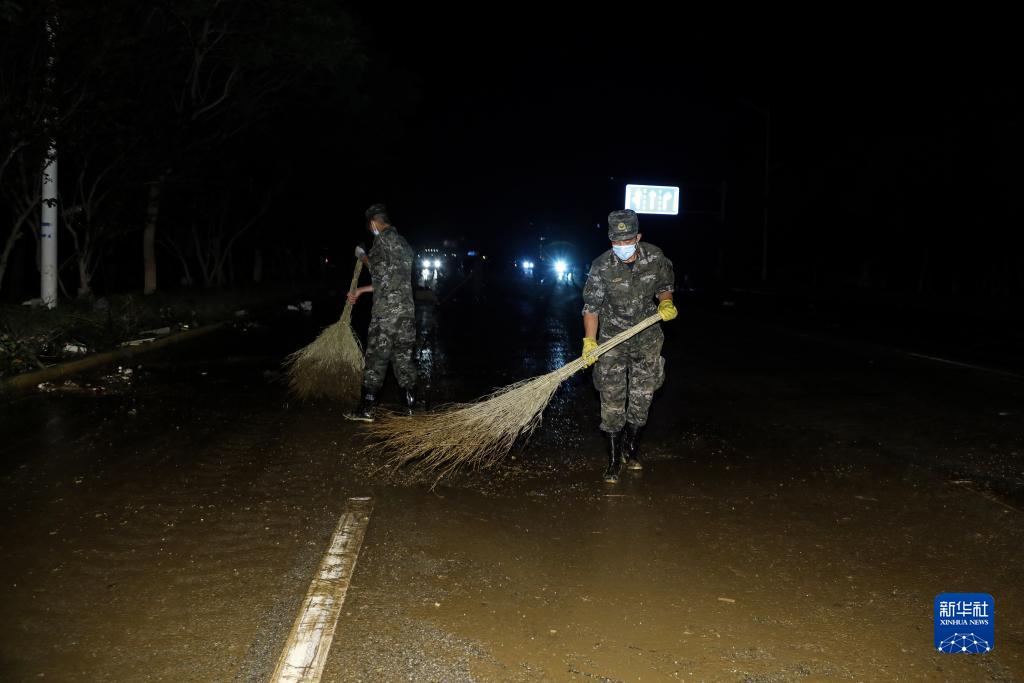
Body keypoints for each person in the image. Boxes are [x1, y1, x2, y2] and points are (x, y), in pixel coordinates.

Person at [580, 209, 677, 483]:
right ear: (611, 240)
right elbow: (591, 307)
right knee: (611, 398)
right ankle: (612, 460)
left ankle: (630, 449)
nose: (622, 247)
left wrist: (666, 302)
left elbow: (664, 286)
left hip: (647, 336)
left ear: (638, 237)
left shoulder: (656, 257)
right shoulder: (601, 266)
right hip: (612, 339)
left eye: (627, 240)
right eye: (616, 241)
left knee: (643, 397)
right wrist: (590, 341)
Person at [344, 203, 417, 421]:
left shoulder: (382, 239)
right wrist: (362, 290)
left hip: (386, 316)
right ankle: (410, 407)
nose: (372, 231)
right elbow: (388, 280)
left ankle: (366, 409)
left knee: (376, 360)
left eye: (371, 227)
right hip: (406, 315)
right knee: (403, 360)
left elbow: (374, 268)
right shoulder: (404, 245)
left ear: (375, 223)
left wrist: (362, 255)